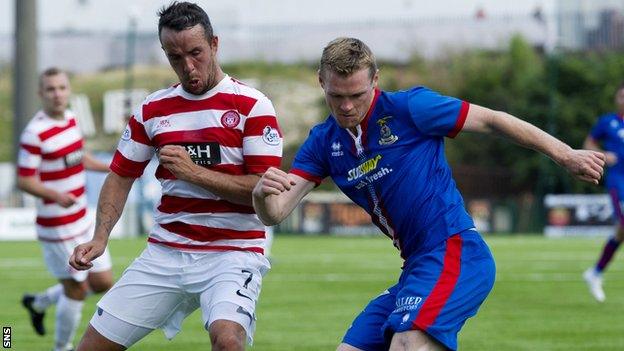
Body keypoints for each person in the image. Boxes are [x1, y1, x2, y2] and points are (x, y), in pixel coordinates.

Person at [252, 37, 605, 351]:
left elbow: (493, 120)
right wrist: (260, 194)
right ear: (321, 82)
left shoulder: (411, 108)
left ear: (376, 81)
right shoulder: (323, 142)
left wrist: (566, 154)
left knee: (407, 345)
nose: (346, 106)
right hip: (416, 267)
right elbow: (276, 212)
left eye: (357, 95)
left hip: (456, 253)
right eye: (336, 96)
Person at [68, 2, 282, 350]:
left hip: (233, 252)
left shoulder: (253, 106)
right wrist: (100, 237)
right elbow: (120, 176)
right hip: (165, 252)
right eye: (175, 57)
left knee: (228, 341)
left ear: (214, 44)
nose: (188, 65)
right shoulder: (153, 109)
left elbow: (263, 192)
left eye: (196, 53)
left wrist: (193, 172)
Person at [17, 67, 114, 351]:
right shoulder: (35, 133)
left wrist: (110, 167)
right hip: (56, 224)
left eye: (61, 88)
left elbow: (78, 157)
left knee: (102, 282)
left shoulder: (71, 118)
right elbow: (24, 179)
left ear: (68, 90)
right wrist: (55, 195)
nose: (57, 94)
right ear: (41, 94)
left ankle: (39, 302)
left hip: (82, 217)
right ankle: (62, 347)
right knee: (76, 288)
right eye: (50, 89)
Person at [582, 84, 624, 303]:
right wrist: (604, 154)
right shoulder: (608, 122)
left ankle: (595, 273)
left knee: (621, 232)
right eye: (621, 96)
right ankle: (595, 273)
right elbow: (588, 143)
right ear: (617, 99)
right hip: (618, 181)